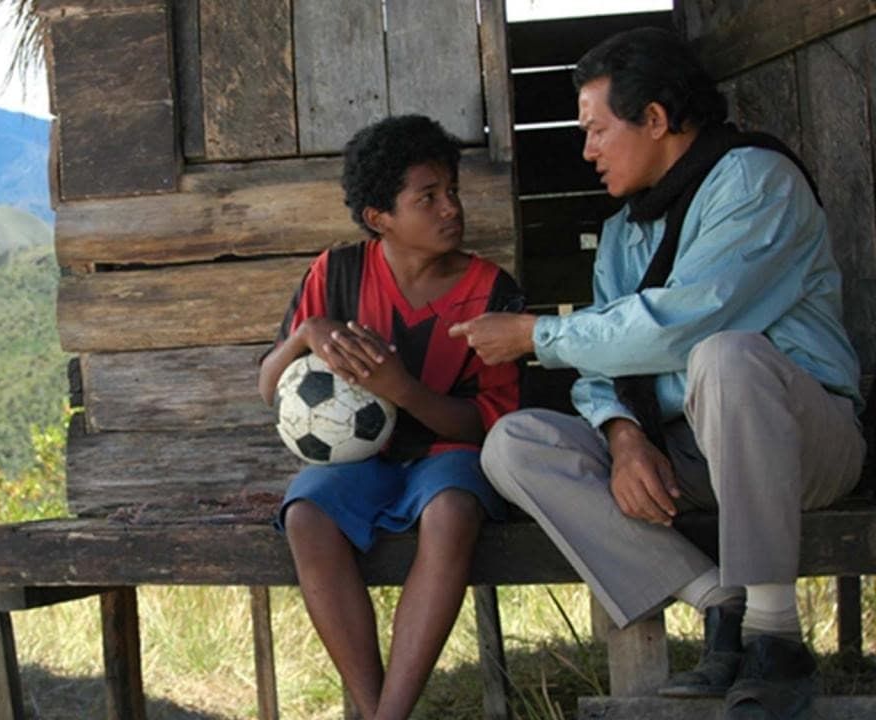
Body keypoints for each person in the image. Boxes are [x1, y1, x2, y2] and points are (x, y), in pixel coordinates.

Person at [449, 27, 865, 720]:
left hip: (801, 444)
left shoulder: (756, 182)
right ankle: (717, 604)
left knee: (723, 355)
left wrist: (536, 335)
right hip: (686, 456)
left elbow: (685, 323)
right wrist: (621, 436)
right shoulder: (623, 232)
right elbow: (604, 361)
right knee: (514, 444)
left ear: (657, 120)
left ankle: (774, 635)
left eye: (596, 130)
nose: (586, 150)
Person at [258, 114, 522, 719]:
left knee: (452, 511)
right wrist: (305, 334)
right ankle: (376, 708)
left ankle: (391, 715)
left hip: (450, 457)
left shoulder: (491, 290)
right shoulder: (339, 273)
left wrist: (401, 389)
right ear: (380, 218)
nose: (449, 208)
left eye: (451, 191)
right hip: (360, 461)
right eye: (426, 197)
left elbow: (489, 422)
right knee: (305, 514)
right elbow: (269, 387)